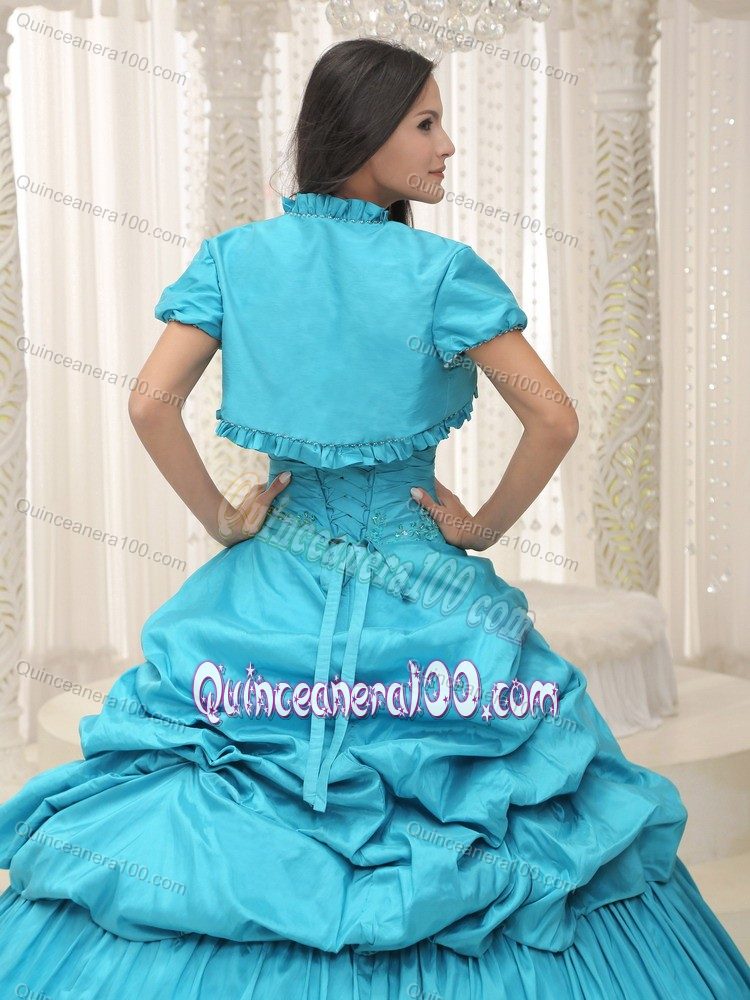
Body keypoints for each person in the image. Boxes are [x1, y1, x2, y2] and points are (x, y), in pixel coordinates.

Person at [0, 36, 748, 1000]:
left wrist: (224, 518)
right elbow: (555, 418)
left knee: (205, 794)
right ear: (362, 133)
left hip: (272, 582)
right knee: (497, 815)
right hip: (422, 586)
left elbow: (150, 402)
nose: (447, 147)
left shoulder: (235, 259)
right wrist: (481, 527)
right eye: (426, 124)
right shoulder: (441, 271)